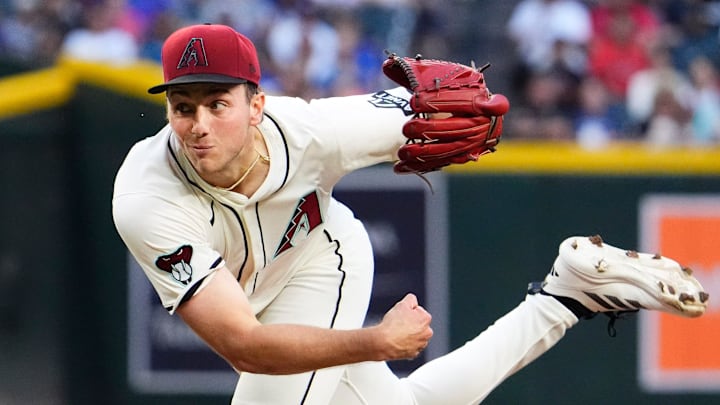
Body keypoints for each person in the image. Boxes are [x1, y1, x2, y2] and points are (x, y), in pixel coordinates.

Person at [112, 23, 709, 404]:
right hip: (256, 309)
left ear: (258, 104)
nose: (200, 124)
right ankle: (565, 298)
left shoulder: (316, 133)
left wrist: (474, 104)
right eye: (183, 106)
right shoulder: (147, 197)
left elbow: (456, 105)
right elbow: (243, 343)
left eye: (219, 103)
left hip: (321, 259)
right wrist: (375, 343)